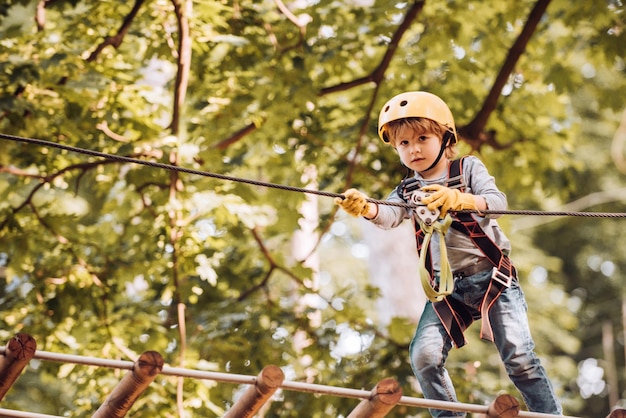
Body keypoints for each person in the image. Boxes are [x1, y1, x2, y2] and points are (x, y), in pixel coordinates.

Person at [334, 91, 562, 417]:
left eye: (422, 138)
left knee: (519, 357)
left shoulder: (467, 168)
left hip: (491, 277)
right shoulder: (407, 191)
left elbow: (497, 203)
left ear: (445, 137)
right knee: (424, 357)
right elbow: (387, 215)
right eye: (403, 144)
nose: (413, 149)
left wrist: (463, 200)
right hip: (447, 289)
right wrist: (365, 207)